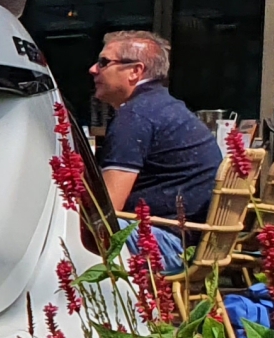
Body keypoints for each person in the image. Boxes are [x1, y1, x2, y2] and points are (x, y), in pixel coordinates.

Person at [90, 29, 221, 273]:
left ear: (135, 71)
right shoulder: (168, 108)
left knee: (75, 224)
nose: (93, 69)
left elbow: (107, 208)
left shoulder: (136, 117)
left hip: (166, 246)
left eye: (104, 62)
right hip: (194, 246)